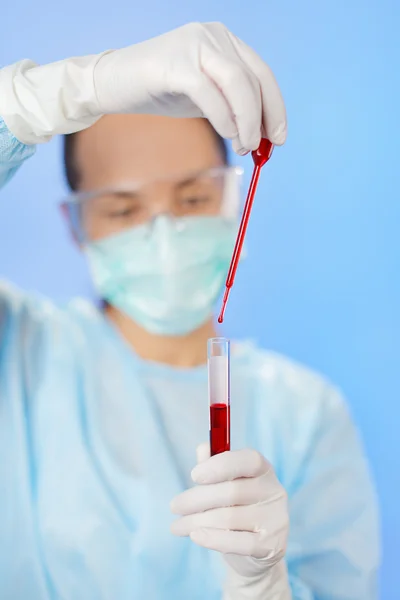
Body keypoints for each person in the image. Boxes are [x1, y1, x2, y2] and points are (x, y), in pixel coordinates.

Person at [0, 22, 379, 600]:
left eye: (194, 198)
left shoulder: (306, 413)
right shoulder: (19, 351)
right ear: (76, 226)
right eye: (124, 210)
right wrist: (55, 95)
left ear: (230, 199)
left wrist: (265, 588)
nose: (165, 233)